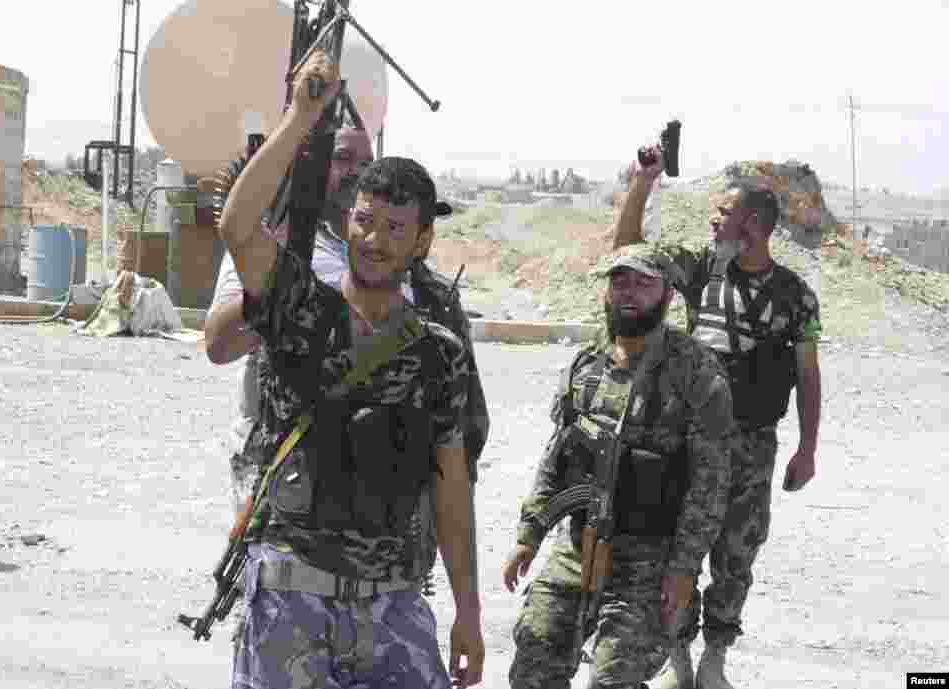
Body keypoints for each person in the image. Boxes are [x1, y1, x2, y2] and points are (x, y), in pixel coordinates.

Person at [215, 50, 484, 689]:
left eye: (395, 227)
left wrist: (468, 612)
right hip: (290, 600)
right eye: (365, 220)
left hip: (392, 603)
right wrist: (302, 116)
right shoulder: (300, 307)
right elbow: (236, 226)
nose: (374, 238)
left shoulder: (438, 352)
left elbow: (451, 488)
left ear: (421, 242)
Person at [206, 119, 489, 525]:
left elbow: (463, 420)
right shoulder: (275, 252)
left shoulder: (419, 279)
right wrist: (285, 287)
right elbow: (220, 345)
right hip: (290, 479)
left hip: (385, 501)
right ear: (312, 167)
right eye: (342, 158)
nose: (355, 170)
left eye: (366, 161)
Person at [613, 145, 823, 689]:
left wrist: (807, 448)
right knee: (675, 548)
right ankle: (678, 660)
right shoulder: (700, 269)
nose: (712, 218)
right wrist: (642, 182)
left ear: (754, 223)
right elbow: (631, 253)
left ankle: (714, 661)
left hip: (752, 446)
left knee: (736, 554)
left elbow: (808, 373)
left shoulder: (795, 296)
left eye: (722, 211)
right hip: (684, 441)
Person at [503, 243, 734, 689]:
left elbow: (710, 484)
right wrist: (529, 535)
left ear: (667, 295)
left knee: (613, 680)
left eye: (644, 284)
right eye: (620, 281)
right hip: (578, 547)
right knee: (534, 666)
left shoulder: (696, 371)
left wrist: (683, 569)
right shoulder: (587, 364)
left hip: (650, 561)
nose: (629, 293)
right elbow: (558, 455)